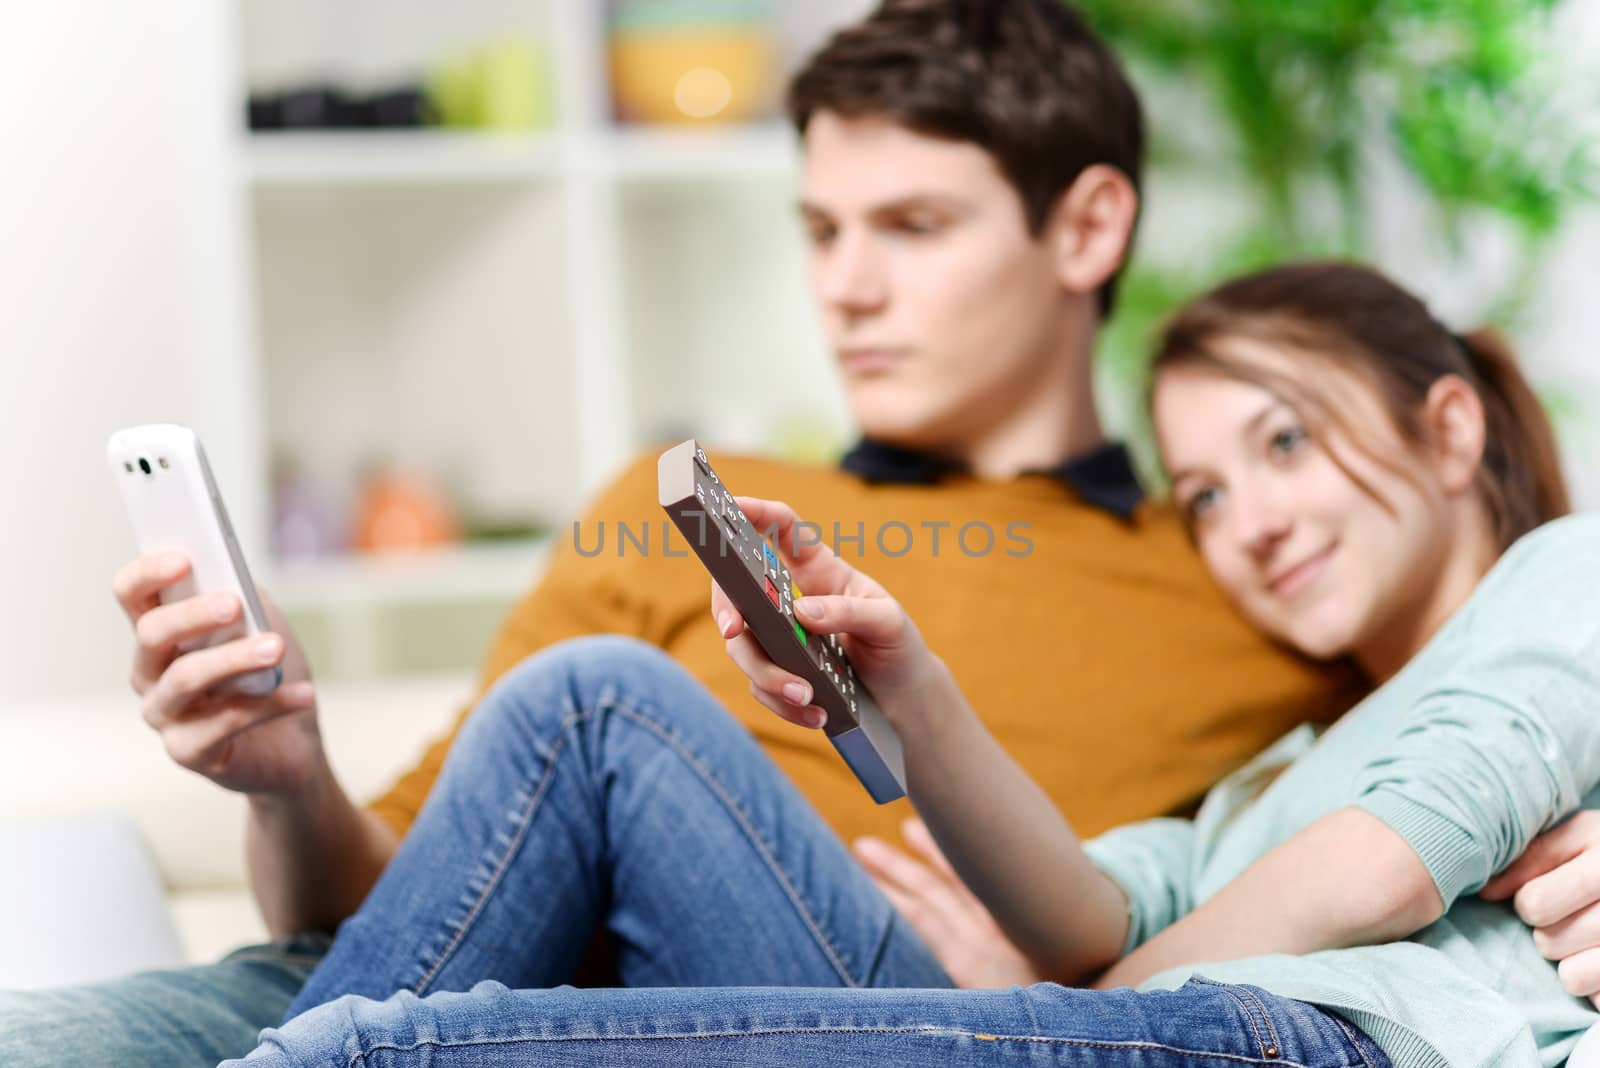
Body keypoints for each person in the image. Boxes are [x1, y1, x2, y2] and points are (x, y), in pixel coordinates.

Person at [0, 5, 1365, 1066]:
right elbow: (380, 904)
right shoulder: (686, 505)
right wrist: (286, 777)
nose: (848, 287)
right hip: (429, 995)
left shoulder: (1251, 578)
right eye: (820, 230)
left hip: (826, 1015)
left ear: (1086, 228)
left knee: (604, 705)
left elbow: (1424, 823)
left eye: (912, 226)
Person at [221, 261, 1595, 1068]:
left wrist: (1073, 1007)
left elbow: (1382, 868)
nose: (1253, 523)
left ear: (1454, 429)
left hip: (1311, 1046)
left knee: (386, 1053)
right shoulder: (1287, 771)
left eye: (1285, 446)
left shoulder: (1567, 574)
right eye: (1210, 494)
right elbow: (1082, 914)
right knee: (594, 700)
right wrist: (907, 690)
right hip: (1181, 1019)